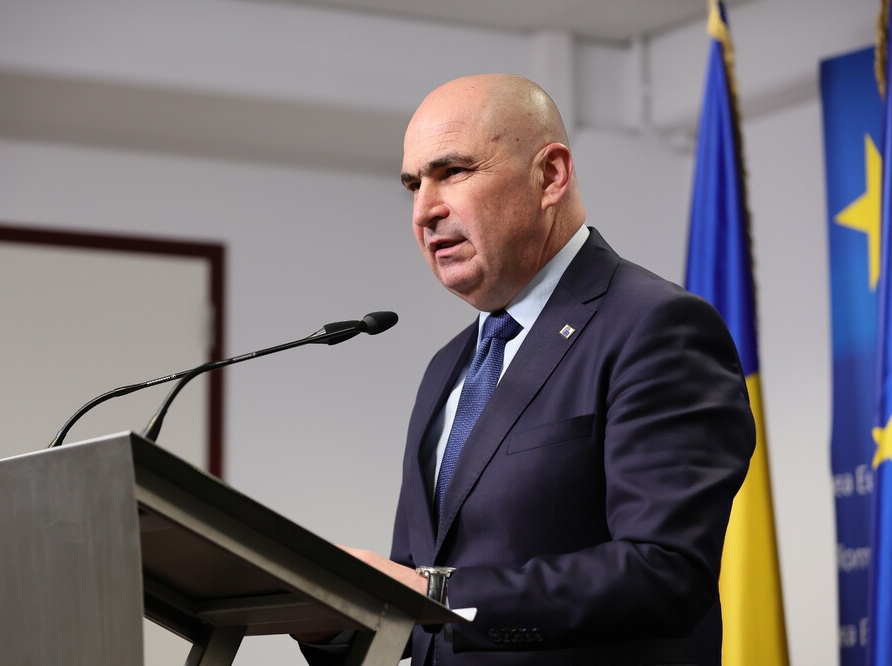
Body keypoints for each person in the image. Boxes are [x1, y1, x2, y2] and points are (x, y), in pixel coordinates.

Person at [300, 73, 755, 665]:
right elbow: (418, 599)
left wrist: (438, 595)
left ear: (550, 176)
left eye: (452, 172)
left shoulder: (656, 326)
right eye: (413, 184)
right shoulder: (447, 368)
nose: (424, 210)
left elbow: (665, 572)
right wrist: (330, 615)